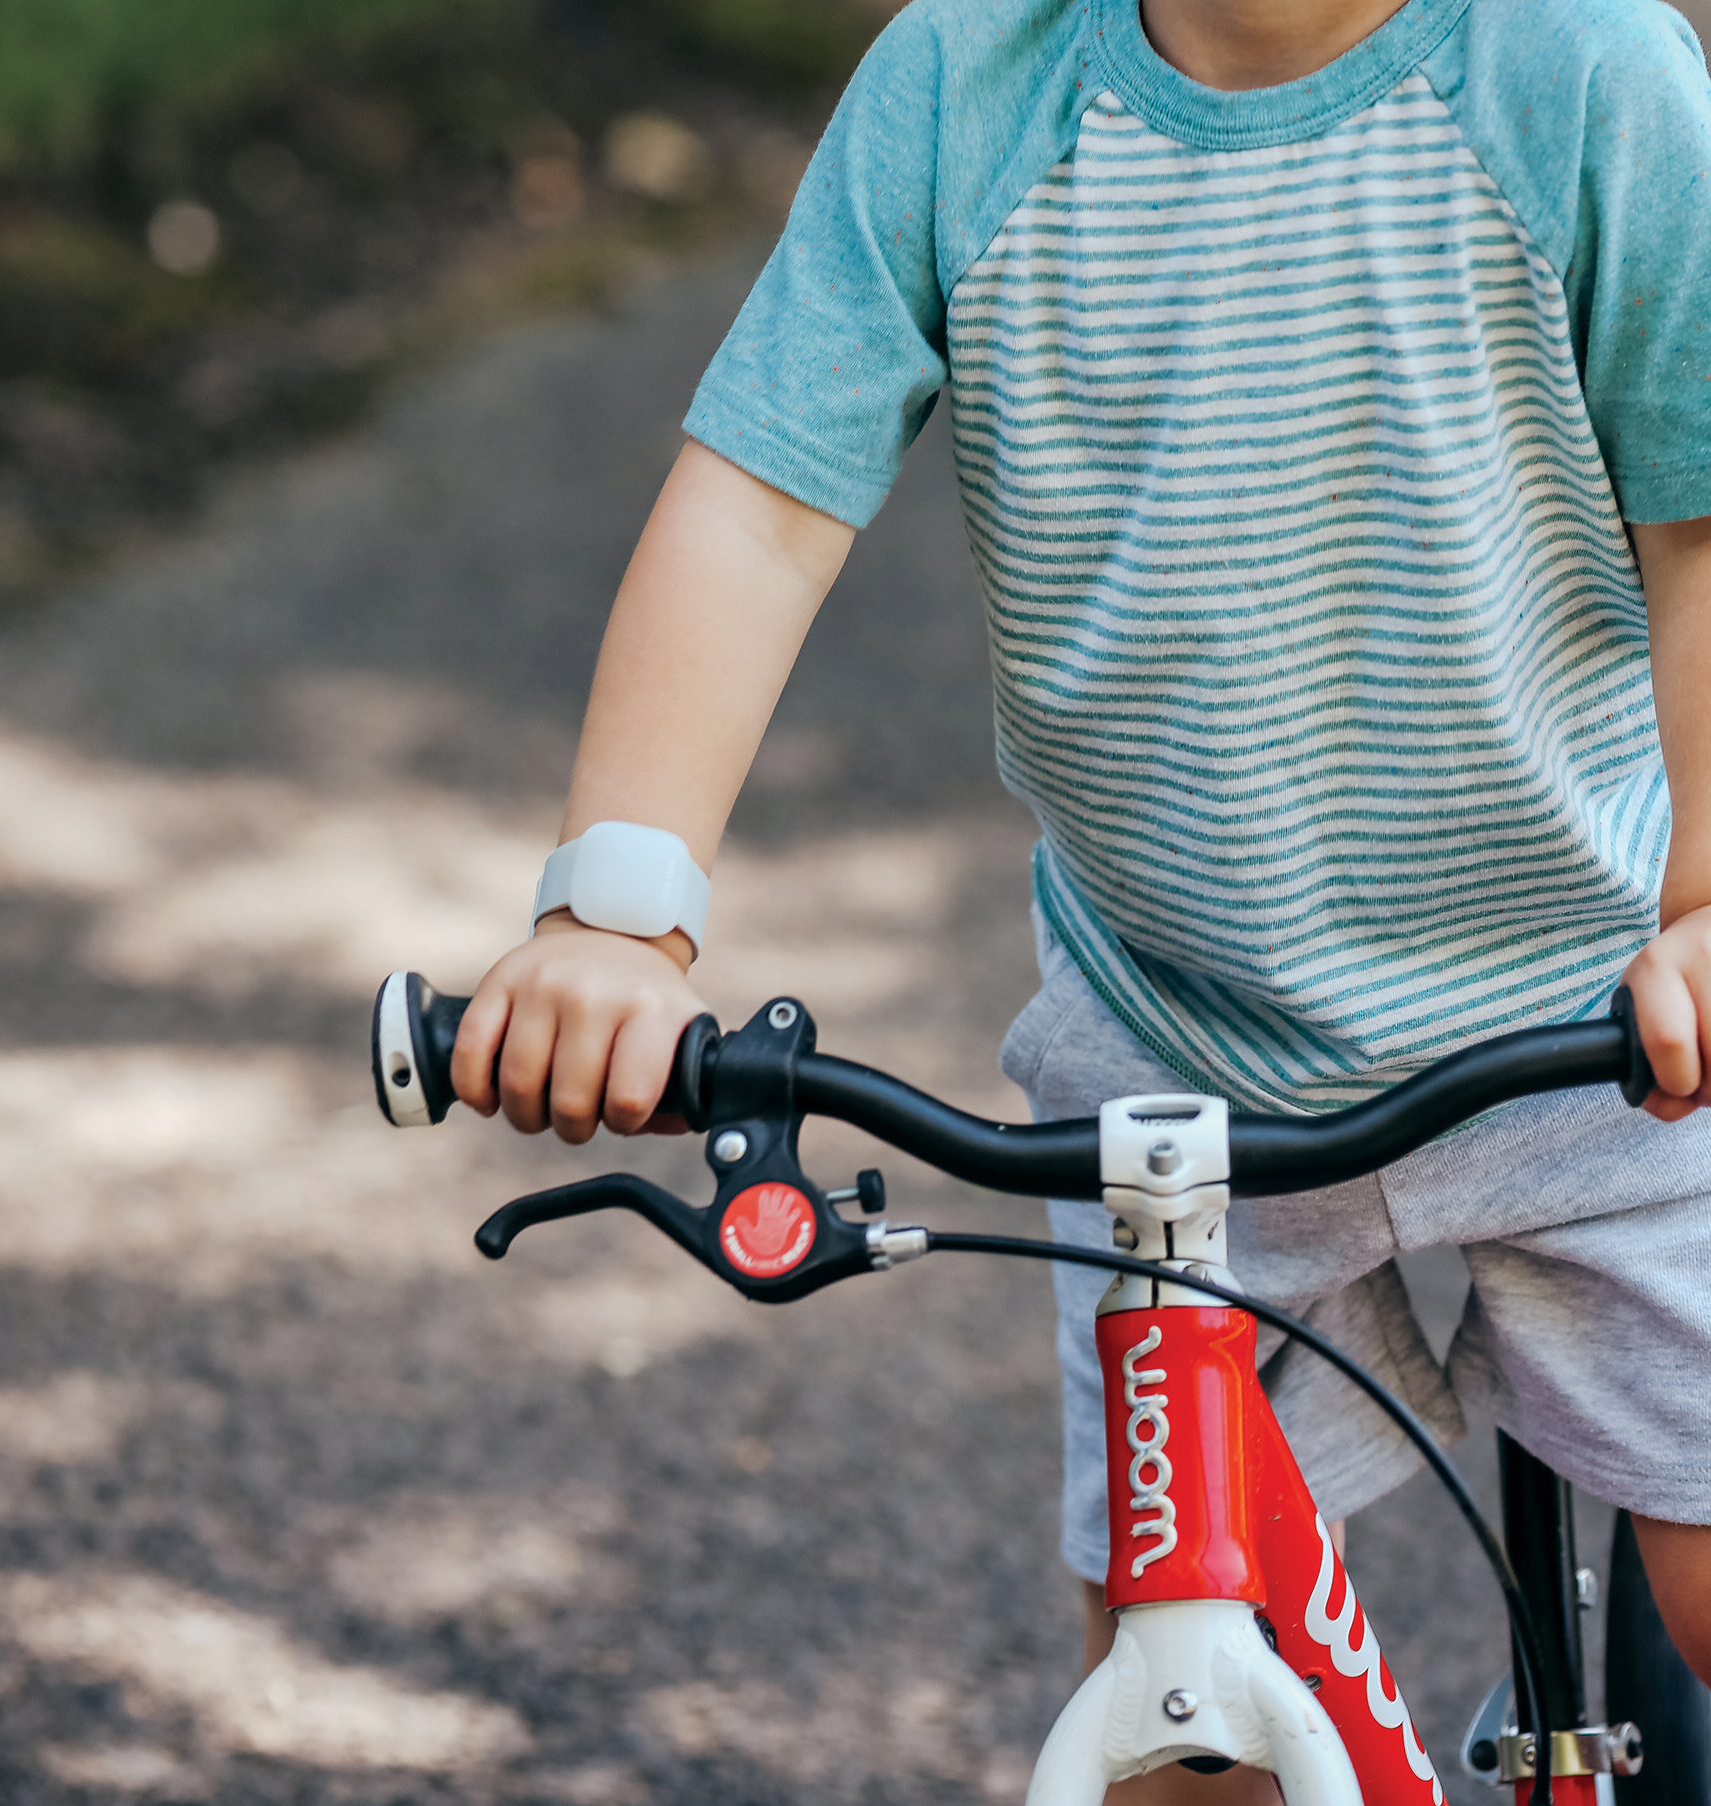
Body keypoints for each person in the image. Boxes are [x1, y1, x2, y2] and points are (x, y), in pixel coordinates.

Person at [451, 0, 1711, 1792]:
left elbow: (1703, 524)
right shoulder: (966, 86)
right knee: (1181, 1699)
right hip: (1178, 1045)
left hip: (1597, 1026)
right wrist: (614, 914)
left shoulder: (1583, 75)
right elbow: (757, 509)